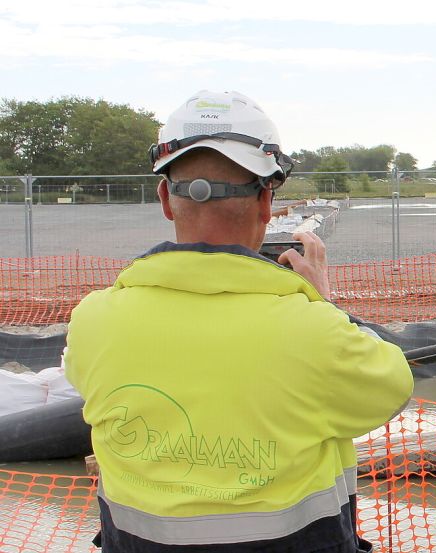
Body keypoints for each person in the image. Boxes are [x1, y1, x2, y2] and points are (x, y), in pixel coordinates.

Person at [64, 90, 413, 553]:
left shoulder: (93, 321)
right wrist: (323, 303)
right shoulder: (314, 331)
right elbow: (390, 389)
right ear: (267, 203)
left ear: (166, 198)